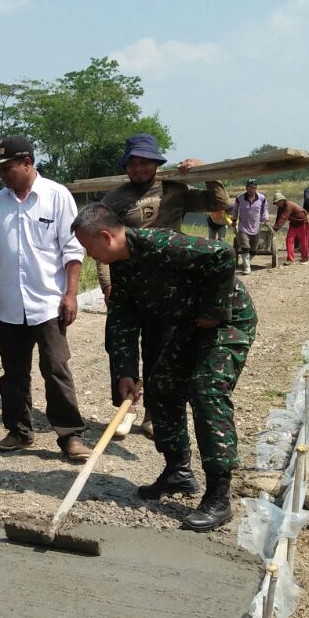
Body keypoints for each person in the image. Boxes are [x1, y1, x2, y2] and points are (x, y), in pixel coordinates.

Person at [71, 202, 256, 532]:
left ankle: (218, 496)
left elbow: (222, 255)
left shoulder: (161, 244)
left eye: (88, 248)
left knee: (206, 390)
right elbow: (122, 317)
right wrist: (125, 371)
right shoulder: (122, 265)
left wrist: (215, 310)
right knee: (162, 387)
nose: (89, 256)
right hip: (191, 325)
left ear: (105, 236)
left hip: (227, 321)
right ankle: (178, 472)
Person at [97, 134, 228, 441]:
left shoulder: (176, 191)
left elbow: (219, 204)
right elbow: (102, 240)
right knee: (120, 348)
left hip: (169, 289)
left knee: (161, 350)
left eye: (144, 162)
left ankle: (153, 414)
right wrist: (107, 283)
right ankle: (124, 410)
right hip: (128, 286)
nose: (139, 169)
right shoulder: (114, 199)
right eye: (133, 163)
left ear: (156, 163)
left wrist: (206, 173)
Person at [0, 135, 91, 461]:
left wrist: (71, 294)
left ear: (27, 163)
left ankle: (70, 436)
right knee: (13, 373)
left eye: (7, 168)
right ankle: (19, 431)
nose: (2, 175)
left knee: (55, 368)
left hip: (49, 303)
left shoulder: (57, 196)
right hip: (12, 305)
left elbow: (72, 250)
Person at [231, 179, 269, 275]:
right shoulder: (240, 198)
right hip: (243, 227)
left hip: (256, 227)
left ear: (256, 188)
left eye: (254, 188)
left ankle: (245, 262)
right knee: (245, 247)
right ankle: (247, 267)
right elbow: (235, 210)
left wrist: (266, 219)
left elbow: (265, 209)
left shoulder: (262, 198)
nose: (252, 190)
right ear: (246, 188)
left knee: (253, 250)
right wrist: (234, 221)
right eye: (250, 188)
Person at [271, 191, 309, 263]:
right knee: (289, 240)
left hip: (302, 223)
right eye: (276, 203)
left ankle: (305, 259)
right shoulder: (280, 208)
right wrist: (274, 229)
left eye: (277, 202)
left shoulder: (288, 206)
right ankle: (290, 259)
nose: (277, 204)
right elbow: (278, 218)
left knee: (303, 241)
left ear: (282, 200)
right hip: (293, 224)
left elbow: (283, 218)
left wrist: (275, 229)